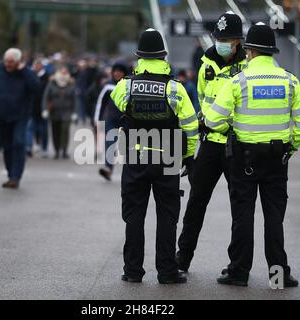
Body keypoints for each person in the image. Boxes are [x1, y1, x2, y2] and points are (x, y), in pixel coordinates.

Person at [204, 23, 300, 287]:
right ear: (271, 52)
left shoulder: (238, 81)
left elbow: (213, 120)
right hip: (277, 157)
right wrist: (290, 148)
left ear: (249, 51)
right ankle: (278, 276)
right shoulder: (289, 80)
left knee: (243, 216)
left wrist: (231, 122)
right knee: (274, 217)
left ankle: (239, 273)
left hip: (245, 158)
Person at [111, 28, 199, 284]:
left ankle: (133, 271)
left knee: (134, 215)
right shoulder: (176, 89)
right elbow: (191, 127)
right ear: (163, 56)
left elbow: (113, 110)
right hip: (169, 156)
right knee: (167, 216)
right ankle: (167, 272)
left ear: (139, 55)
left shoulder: (125, 86)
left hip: (135, 157)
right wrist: (188, 155)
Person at [176, 12, 247, 272]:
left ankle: (237, 266)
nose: (221, 43)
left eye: (227, 39)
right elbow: (203, 102)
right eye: (219, 38)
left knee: (240, 207)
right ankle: (182, 260)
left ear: (238, 41)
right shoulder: (206, 62)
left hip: (235, 144)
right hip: (209, 143)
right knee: (196, 203)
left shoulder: (247, 67)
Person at [0, 48, 39, 189]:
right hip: (2, 114)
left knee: (18, 143)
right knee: (7, 146)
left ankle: (16, 177)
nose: (8, 64)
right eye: (6, 61)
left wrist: (24, 71)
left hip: (20, 115)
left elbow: (36, 87)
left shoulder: (26, 72)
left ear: (18, 62)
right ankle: (11, 174)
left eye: (12, 62)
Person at [95, 63, 128, 181]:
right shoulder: (108, 86)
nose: (117, 73)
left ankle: (131, 171)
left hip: (126, 120)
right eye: (115, 71)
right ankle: (108, 169)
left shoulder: (129, 85)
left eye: (120, 71)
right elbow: (100, 103)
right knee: (110, 144)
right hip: (111, 120)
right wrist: (97, 119)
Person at [42, 66, 75, 159]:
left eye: (65, 72)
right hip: (54, 111)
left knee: (65, 130)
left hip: (67, 111)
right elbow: (46, 97)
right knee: (55, 131)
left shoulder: (70, 83)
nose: (64, 75)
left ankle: (64, 150)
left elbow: (74, 99)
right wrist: (45, 109)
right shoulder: (52, 83)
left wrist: (74, 112)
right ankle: (57, 150)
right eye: (62, 72)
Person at [26, 59, 49, 158]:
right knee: (29, 128)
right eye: (35, 65)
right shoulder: (30, 76)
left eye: (39, 65)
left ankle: (44, 148)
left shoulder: (46, 77)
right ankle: (28, 147)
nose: (37, 67)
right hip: (32, 107)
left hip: (43, 108)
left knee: (43, 130)